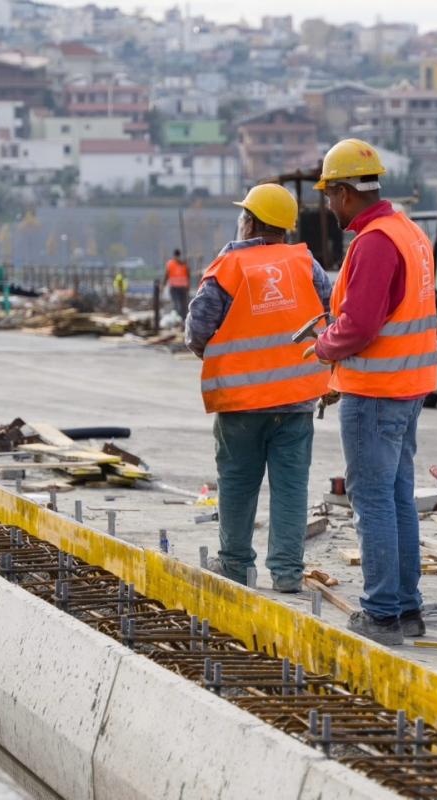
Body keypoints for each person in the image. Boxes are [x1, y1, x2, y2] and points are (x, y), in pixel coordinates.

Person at [306, 138, 437, 646]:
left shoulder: (375, 241)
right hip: (408, 387)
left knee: (374, 500)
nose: (329, 206)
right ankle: (406, 609)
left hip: (376, 390)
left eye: (329, 195)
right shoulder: (409, 233)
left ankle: (382, 613)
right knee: (397, 496)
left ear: (343, 192)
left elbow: (359, 326)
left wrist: (323, 348)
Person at [186, 184, 332, 594]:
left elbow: (197, 330)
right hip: (298, 400)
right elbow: (331, 316)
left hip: (240, 401)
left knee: (237, 482)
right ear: (285, 227)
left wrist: (226, 359)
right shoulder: (307, 264)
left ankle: (235, 566)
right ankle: (286, 573)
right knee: (290, 488)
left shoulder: (229, 267)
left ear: (248, 221)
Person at [165, 249, 190, 321]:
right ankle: (178, 319)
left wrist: (188, 286)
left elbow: (188, 275)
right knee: (177, 305)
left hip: (182, 288)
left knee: (183, 305)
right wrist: (163, 285)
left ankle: (183, 320)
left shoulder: (184, 264)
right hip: (174, 288)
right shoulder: (171, 264)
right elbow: (167, 275)